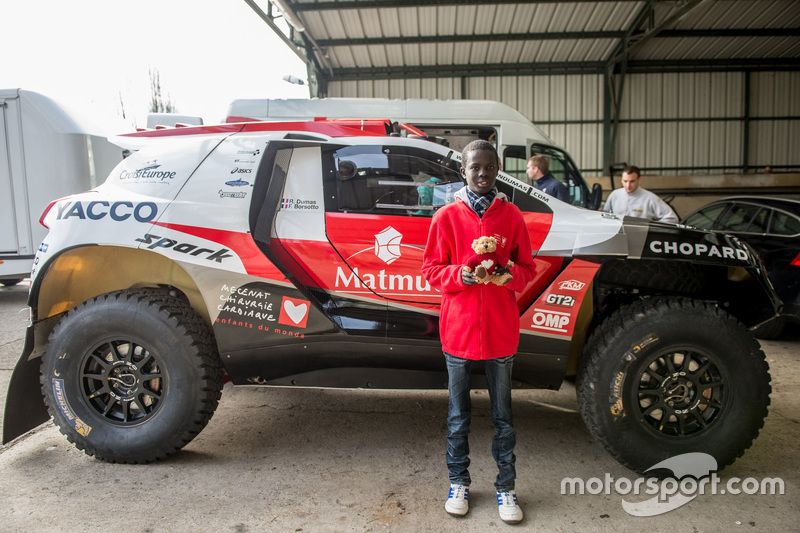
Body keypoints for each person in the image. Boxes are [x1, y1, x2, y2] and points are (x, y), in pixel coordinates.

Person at [422, 139, 536, 524]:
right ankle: (458, 482)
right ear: (463, 171)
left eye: (489, 167)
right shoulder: (445, 218)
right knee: (458, 416)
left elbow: (527, 270)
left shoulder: (512, 217)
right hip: (459, 332)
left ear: (498, 168)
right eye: (475, 168)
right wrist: (461, 274)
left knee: (504, 418)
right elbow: (431, 270)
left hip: (501, 333)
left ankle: (506, 487)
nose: (483, 174)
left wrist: (507, 277)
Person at [603, 165, 678, 223]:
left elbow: (672, 218)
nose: (628, 185)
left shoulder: (650, 198)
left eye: (632, 181)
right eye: (625, 181)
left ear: (639, 179)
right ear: (621, 180)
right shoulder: (614, 195)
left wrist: (652, 228)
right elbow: (604, 216)